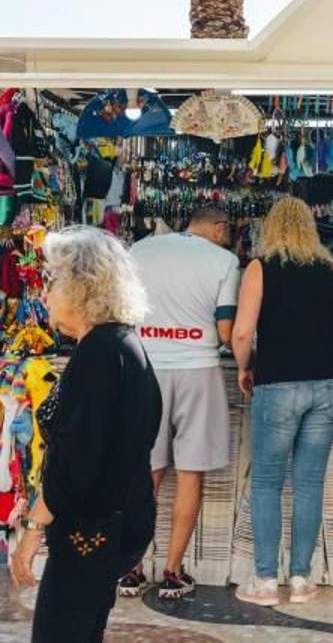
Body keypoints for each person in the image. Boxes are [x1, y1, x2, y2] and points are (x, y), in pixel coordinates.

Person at [9, 226, 162, 643]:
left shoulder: (101, 352)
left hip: (94, 527)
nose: (46, 293)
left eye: (54, 281)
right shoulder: (120, 343)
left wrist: (33, 528)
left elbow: (77, 458)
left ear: (83, 285)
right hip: (111, 521)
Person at [230, 197, 333, 607]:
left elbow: (243, 332)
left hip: (279, 382)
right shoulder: (331, 269)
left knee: (266, 482)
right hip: (329, 382)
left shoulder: (260, 268)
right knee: (309, 482)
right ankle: (301, 578)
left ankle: (265, 580)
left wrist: (245, 368)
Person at [123, 205, 240, 598]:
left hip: (146, 368)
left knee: (145, 472)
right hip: (199, 368)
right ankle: (173, 572)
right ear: (219, 227)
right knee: (191, 471)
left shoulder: (140, 250)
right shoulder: (225, 261)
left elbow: (122, 311)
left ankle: (131, 568)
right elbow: (226, 331)